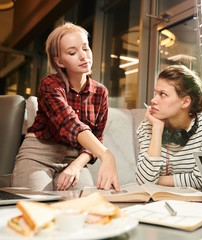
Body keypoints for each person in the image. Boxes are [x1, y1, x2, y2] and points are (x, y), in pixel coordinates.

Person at [11, 22, 120, 192]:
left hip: (73, 158)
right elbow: (69, 123)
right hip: (38, 154)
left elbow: (95, 139)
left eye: (85, 48)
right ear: (59, 61)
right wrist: (106, 154)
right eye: (72, 52)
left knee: (84, 208)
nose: (84, 56)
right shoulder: (50, 85)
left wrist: (76, 166)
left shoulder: (100, 93)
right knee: (37, 209)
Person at [136, 65, 202, 189]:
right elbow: (144, 181)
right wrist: (157, 130)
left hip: (194, 204)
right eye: (155, 93)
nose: (153, 100)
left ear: (185, 102)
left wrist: (157, 180)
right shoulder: (149, 125)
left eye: (163, 94)